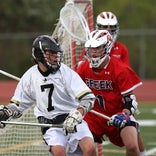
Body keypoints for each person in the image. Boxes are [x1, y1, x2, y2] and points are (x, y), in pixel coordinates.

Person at [0, 35, 96, 156]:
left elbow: (88, 98)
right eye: (51, 53)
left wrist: (77, 114)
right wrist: (6, 113)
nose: (56, 56)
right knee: (58, 152)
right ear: (39, 54)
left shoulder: (65, 72)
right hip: (49, 123)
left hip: (72, 119)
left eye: (56, 53)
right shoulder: (30, 76)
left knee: (90, 149)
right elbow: (17, 105)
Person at [78, 11, 147, 156]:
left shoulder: (120, 68)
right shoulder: (84, 67)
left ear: (107, 47)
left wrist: (124, 114)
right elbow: (75, 91)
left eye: (98, 48)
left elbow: (130, 100)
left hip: (116, 112)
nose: (94, 53)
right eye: (91, 49)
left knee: (133, 146)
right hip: (93, 114)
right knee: (84, 147)